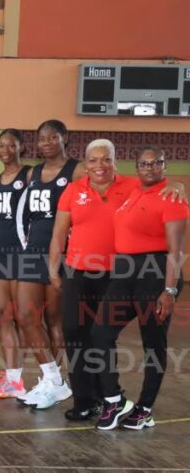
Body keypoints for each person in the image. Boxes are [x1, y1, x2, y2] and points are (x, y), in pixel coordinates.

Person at [46, 140, 184, 417]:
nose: (100, 165)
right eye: (93, 160)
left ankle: (108, 396)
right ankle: (85, 401)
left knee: (102, 335)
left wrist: (179, 186)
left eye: (105, 159)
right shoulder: (73, 190)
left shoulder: (132, 185)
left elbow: (162, 188)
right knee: (75, 333)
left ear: (115, 162)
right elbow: (59, 232)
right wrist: (53, 268)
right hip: (78, 271)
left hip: (118, 274)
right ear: (85, 164)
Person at [92, 146, 188, 430]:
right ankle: (115, 399)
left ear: (164, 165)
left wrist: (169, 292)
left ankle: (145, 407)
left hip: (155, 274)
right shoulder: (134, 191)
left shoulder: (172, 199)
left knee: (153, 343)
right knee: (100, 332)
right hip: (125, 272)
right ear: (136, 168)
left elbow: (175, 252)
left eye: (155, 163)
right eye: (143, 164)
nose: (149, 168)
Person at [14, 120, 82, 409]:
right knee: (26, 317)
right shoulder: (32, 172)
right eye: (42, 138)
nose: (46, 142)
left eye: (52, 137)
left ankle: (51, 384)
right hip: (33, 250)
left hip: (62, 252)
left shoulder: (77, 170)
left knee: (55, 321)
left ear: (64, 138)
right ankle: (53, 380)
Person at [0, 129, 31, 399]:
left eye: (10, 145)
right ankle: (12, 377)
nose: (5, 149)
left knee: (24, 317)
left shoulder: (28, 175)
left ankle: (39, 375)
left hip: (22, 252)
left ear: (21, 148)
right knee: (3, 315)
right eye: (1, 145)